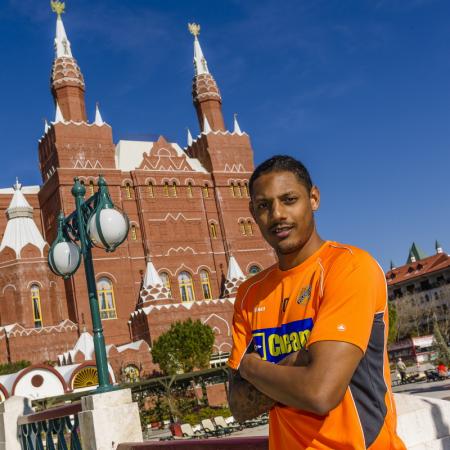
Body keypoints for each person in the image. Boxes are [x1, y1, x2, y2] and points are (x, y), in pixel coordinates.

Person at [227, 155, 406, 450]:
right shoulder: (249, 294)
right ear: (252, 212)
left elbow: (320, 393)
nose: (277, 215)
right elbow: (239, 406)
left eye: (289, 199)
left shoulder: (348, 268)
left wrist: (251, 368)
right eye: (264, 205)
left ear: (313, 198)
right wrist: (301, 360)